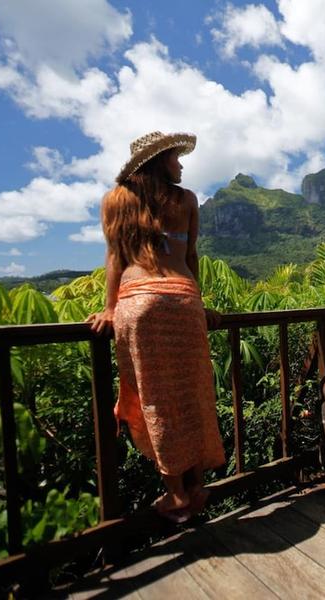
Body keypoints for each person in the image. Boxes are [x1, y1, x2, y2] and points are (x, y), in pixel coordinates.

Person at [87, 131, 225, 523]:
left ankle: (175, 491)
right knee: (193, 392)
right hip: (184, 302)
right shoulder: (186, 200)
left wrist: (110, 308)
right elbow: (190, 256)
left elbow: (115, 258)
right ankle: (196, 485)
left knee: (154, 398)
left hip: (140, 303)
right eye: (175, 158)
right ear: (159, 161)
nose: (180, 164)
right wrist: (200, 304)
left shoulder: (115, 200)